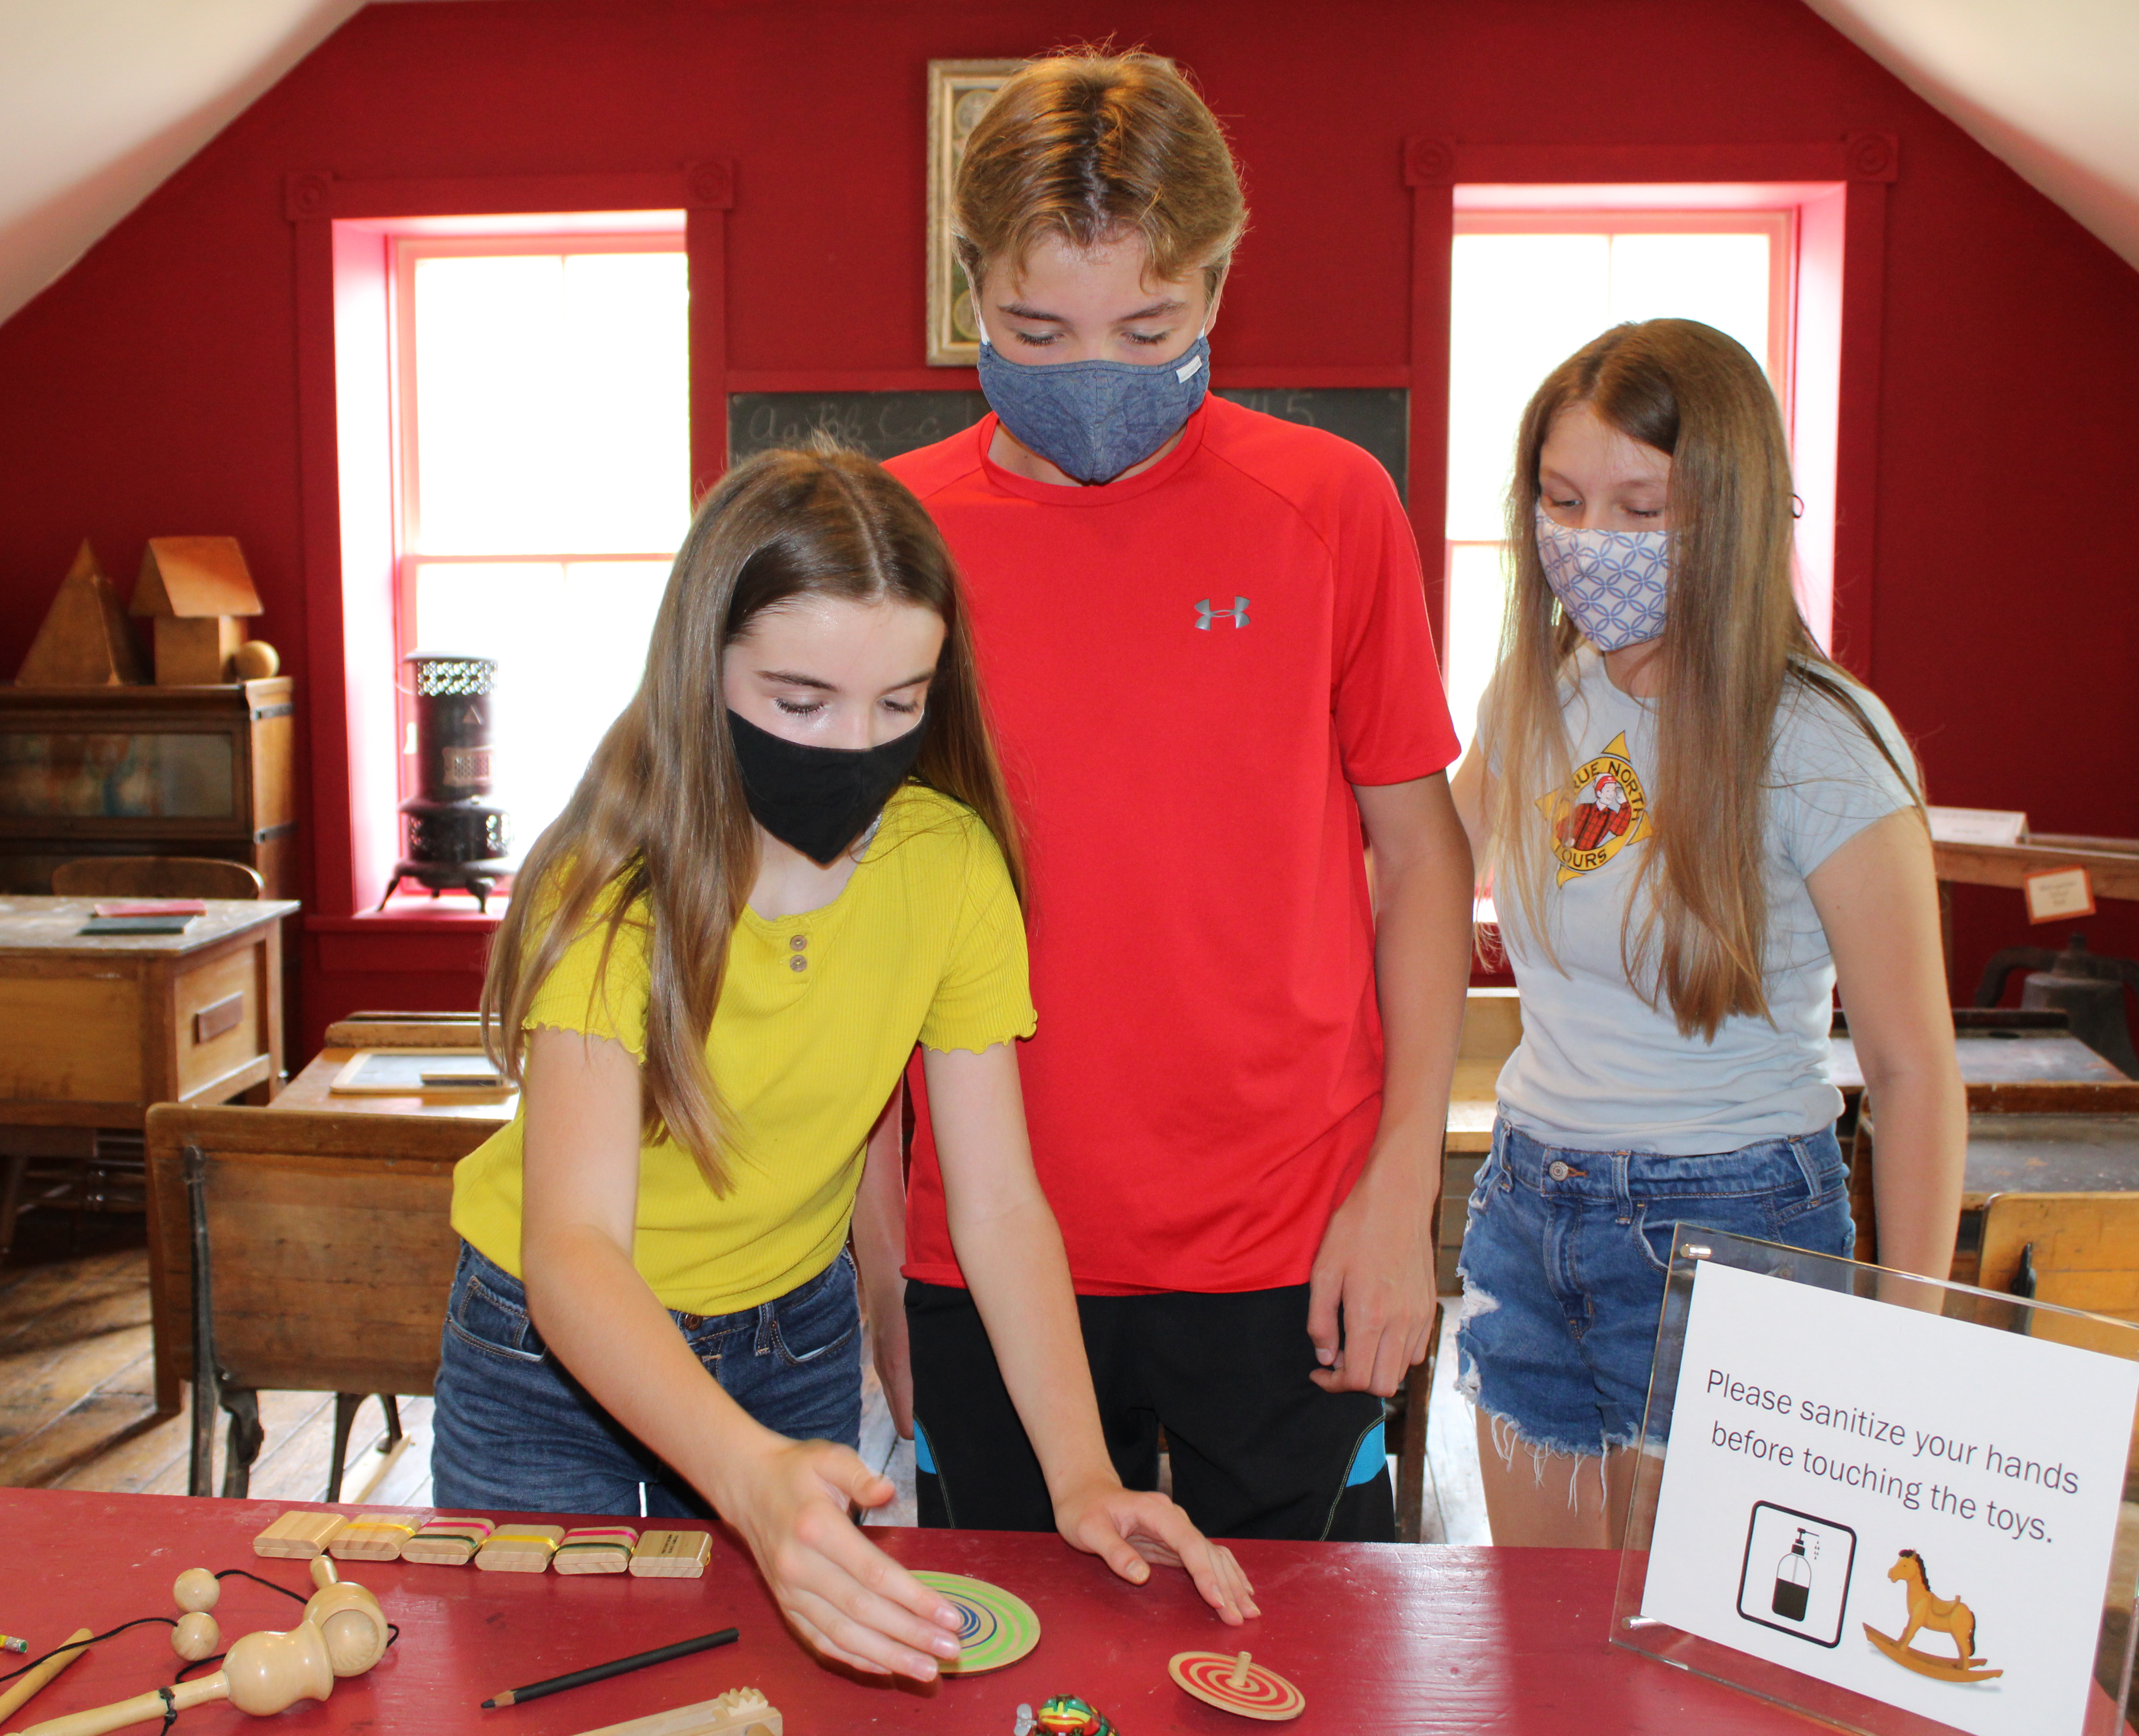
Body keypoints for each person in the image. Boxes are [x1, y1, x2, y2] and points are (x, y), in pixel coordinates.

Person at [431, 446, 1255, 1682]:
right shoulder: (613, 893)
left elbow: (997, 1203)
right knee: (538, 1690)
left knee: (786, 1698)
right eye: (801, 703)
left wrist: (1082, 1473)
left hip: (791, 1342)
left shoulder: (950, 866)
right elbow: (575, 1253)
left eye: (900, 705)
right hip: (550, 1363)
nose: (855, 750)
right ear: (701, 669)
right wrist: (746, 1474)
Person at [876, 49, 1473, 1543]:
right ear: (971, 294)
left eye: (1147, 327)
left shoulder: (1331, 504)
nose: (1094, 373)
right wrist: (874, 1258)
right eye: (1037, 327)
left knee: (1297, 1673)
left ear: (1218, 287)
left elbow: (1422, 864)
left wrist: (1403, 1194)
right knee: (1014, 1679)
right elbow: (848, 913)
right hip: (982, 1251)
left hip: (1289, 1242)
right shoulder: (894, 531)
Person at [1448, 319, 1967, 1546]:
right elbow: (1409, 887)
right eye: (1564, 502)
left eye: (1642, 509)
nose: (1592, 545)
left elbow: (1912, 1067)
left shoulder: (1824, 741)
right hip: (1527, 1202)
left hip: (1734, 1228)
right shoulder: (1536, 693)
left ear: (1732, 516)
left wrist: (1914, 1331)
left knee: (1696, 1676)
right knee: (1537, 1648)